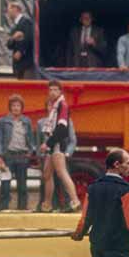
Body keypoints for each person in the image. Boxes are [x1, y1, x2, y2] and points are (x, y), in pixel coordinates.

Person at [39, 81, 80, 212]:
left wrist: (48, 143)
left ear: (60, 92)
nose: (52, 92)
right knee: (47, 174)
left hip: (57, 145)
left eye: (55, 90)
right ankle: (47, 204)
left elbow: (62, 129)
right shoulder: (56, 107)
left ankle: (75, 201)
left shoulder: (62, 106)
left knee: (61, 173)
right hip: (54, 145)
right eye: (50, 89)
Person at [0, 95, 34, 210]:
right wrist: (0, 157)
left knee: (22, 185)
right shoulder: (3, 121)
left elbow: (31, 138)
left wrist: (30, 153)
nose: (16, 108)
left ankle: (22, 208)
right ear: (10, 107)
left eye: (18, 106)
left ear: (22, 108)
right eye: (13, 106)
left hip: (22, 156)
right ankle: (3, 207)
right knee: (5, 184)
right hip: (8, 156)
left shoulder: (27, 121)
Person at [6, 1, 34, 79]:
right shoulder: (14, 26)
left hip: (26, 63)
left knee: (26, 86)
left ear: (15, 9)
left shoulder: (26, 22)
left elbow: (30, 38)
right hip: (18, 65)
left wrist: (21, 51)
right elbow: (9, 45)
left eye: (8, 10)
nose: (7, 13)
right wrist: (13, 38)